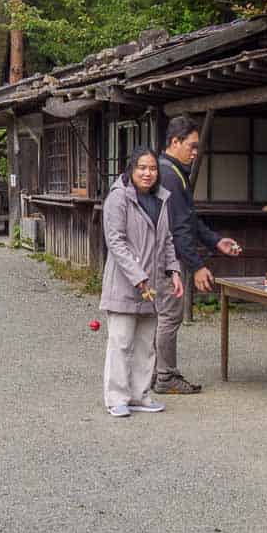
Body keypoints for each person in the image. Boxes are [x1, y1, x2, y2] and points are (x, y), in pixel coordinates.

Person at [155, 115, 242, 395]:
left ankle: (154, 372)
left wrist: (215, 241)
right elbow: (179, 228)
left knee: (160, 316)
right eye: (191, 146)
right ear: (174, 142)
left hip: (162, 255)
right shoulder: (168, 174)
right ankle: (165, 376)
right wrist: (197, 267)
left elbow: (188, 218)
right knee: (169, 315)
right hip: (164, 257)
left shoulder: (172, 171)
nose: (195, 152)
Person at [100, 148, 183, 418]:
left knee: (146, 345)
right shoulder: (118, 197)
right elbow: (116, 242)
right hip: (125, 283)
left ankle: (139, 394)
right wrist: (138, 278)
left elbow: (167, 240)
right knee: (121, 342)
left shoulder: (161, 199)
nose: (148, 173)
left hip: (153, 285)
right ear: (131, 170)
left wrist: (174, 271)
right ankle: (116, 397)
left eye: (152, 169)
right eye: (142, 168)